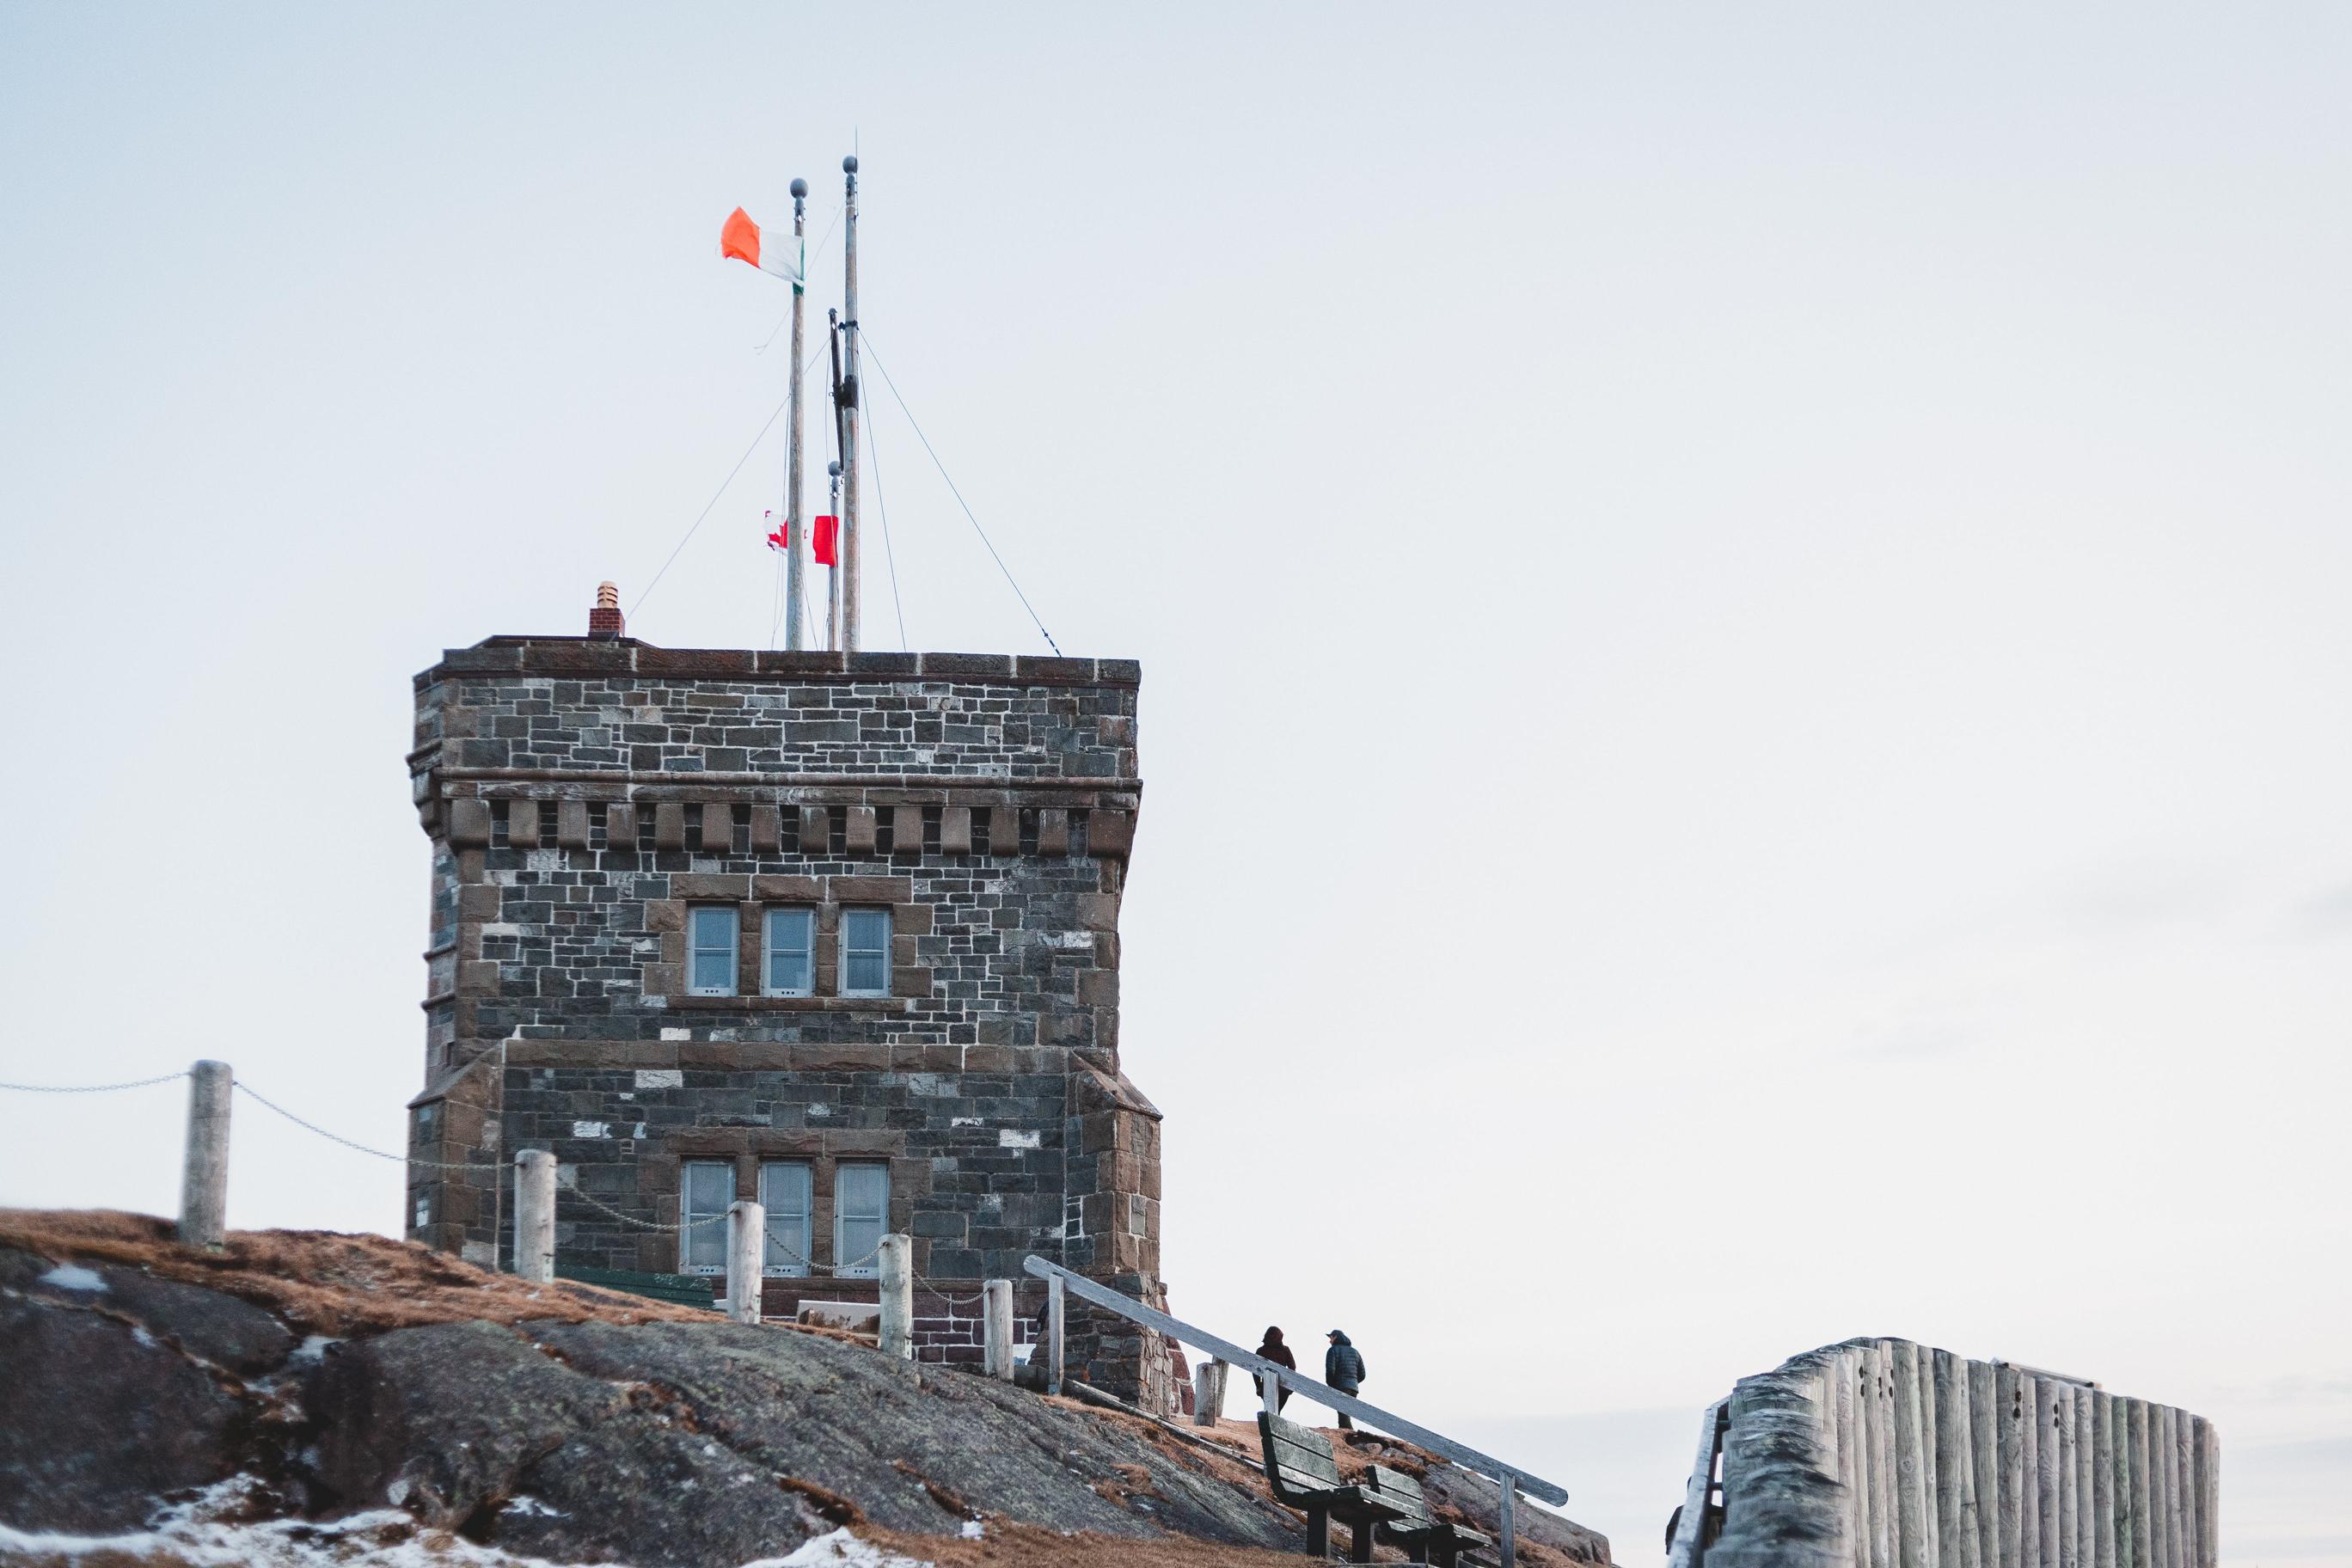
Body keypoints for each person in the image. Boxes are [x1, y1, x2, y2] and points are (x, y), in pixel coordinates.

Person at [1325, 1329, 1366, 1430]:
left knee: (1343, 1417)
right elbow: (1362, 1374)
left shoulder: (1333, 1350)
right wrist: (1353, 1382)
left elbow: (1330, 1370)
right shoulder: (1355, 1352)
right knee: (1345, 1414)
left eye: (1331, 1338)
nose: (1330, 1341)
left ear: (1335, 1337)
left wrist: (1331, 1385)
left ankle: (1351, 1438)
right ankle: (1349, 1436)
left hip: (1341, 1386)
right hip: (1353, 1389)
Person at [1253, 1326, 1296, 1412]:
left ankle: (1270, 1421)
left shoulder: (1260, 1351)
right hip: (1283, 1388)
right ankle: (1272, 1422)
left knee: (1271, 1410)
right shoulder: (1285, 1350)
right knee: (1276, 1411)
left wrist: (1258, 1387)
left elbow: (1255, 1371)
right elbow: (1292, 1368)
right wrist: (1290, 1387)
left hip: (1266, 1387)